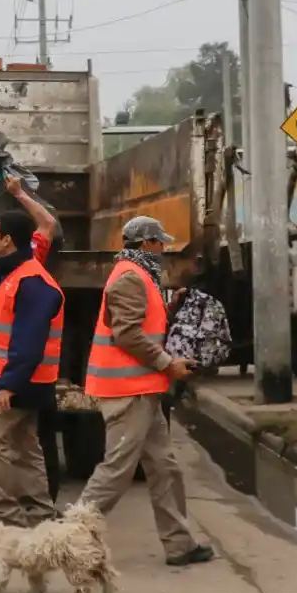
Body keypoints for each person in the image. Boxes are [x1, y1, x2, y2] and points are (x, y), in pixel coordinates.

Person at [79, 215, 215, 567]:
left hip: (142, 388)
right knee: (116, 469)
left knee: (165, 467)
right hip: (126, 389)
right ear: (146, 244)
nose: (164, 248)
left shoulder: (141, 276)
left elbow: (141, 324)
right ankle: (71, 536)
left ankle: (180, 545)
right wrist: (167, 363)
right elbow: (126, 333)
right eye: (160, 243)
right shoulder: (129, 278)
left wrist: (171, 308)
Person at [0, 175, 60, 500]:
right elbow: (48, 223)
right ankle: (36, 508)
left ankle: (8, 509)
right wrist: (20, 194)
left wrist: (9, 382)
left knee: (0, 440)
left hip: (10, 375)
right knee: (31, 444)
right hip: (9, 373)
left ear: (5, 241)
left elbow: (27, 337)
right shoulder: (26, 265)